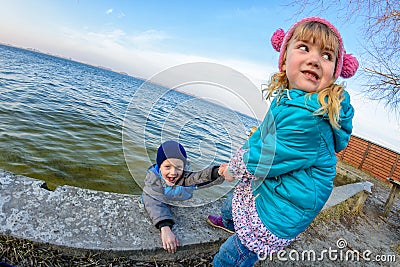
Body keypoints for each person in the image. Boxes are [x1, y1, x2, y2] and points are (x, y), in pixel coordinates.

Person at [212, 17, 358, 266]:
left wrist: (234, 168)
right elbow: (263, 134)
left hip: (282, 210)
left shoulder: (309, 117)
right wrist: (241, 153)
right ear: (284, 56)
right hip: (277, 187)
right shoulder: (288, 98)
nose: (314, 59)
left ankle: (239, 247)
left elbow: (265, 157)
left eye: (327, 55)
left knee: (229, 258)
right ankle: (230, 222)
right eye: (304, 47)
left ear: (334, 72)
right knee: (236, 198)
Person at [142, 140, 224, 254]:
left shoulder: (185, 175)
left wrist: (218, 173)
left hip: (182, 197)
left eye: (178, 167)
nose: (173, 172)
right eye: (167, 166)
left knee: (198, 180)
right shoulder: (154, 178)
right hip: (162, 200)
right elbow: (152, 201)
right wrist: (164, 226)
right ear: (159, 166)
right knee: (149, 197)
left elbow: (200, 177)